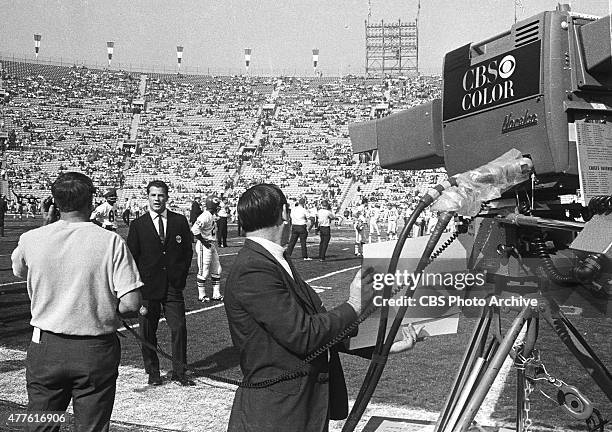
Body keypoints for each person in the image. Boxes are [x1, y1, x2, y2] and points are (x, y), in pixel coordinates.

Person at [224, 184, 417, 432]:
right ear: (284, 213)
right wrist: (354, 305)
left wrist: (384, 346)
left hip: (298, 408)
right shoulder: (254, 267)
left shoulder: (272, 259)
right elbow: (303, 335)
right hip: (278, 413)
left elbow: (319, 331)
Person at [11, 172, 142, 431]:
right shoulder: (111, 241)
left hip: (46, 345)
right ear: (91, 200)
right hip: (94, 349)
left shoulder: (31, 239)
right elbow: (131, 304)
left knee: (41, 423)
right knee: (90, 426)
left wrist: (45, 227)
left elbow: (21, 270)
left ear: (54, 202)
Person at [127, 180, 195, 387]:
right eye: (153, 195)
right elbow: (132, 257)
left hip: (173, 286)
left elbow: (187, 252)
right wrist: (137, 286)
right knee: (147, 331)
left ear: (167, 197)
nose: (157, 199)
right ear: (147, 197)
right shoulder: (138, 225)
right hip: (148, 288)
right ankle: (153, 371)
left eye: (161, 195)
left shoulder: (179, 221)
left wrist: (181, 276)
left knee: (179, 328)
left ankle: (179, 371)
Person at [192, 195, 223, 302]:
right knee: (203, 271)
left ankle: (216, 293)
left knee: (217, 269)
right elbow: (194, 229)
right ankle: (202, 295)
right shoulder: (205, 216)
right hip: (204, 245)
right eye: (216, 205)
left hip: (211, 244)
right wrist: (204, 242)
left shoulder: (211, 215)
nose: (218, 207)